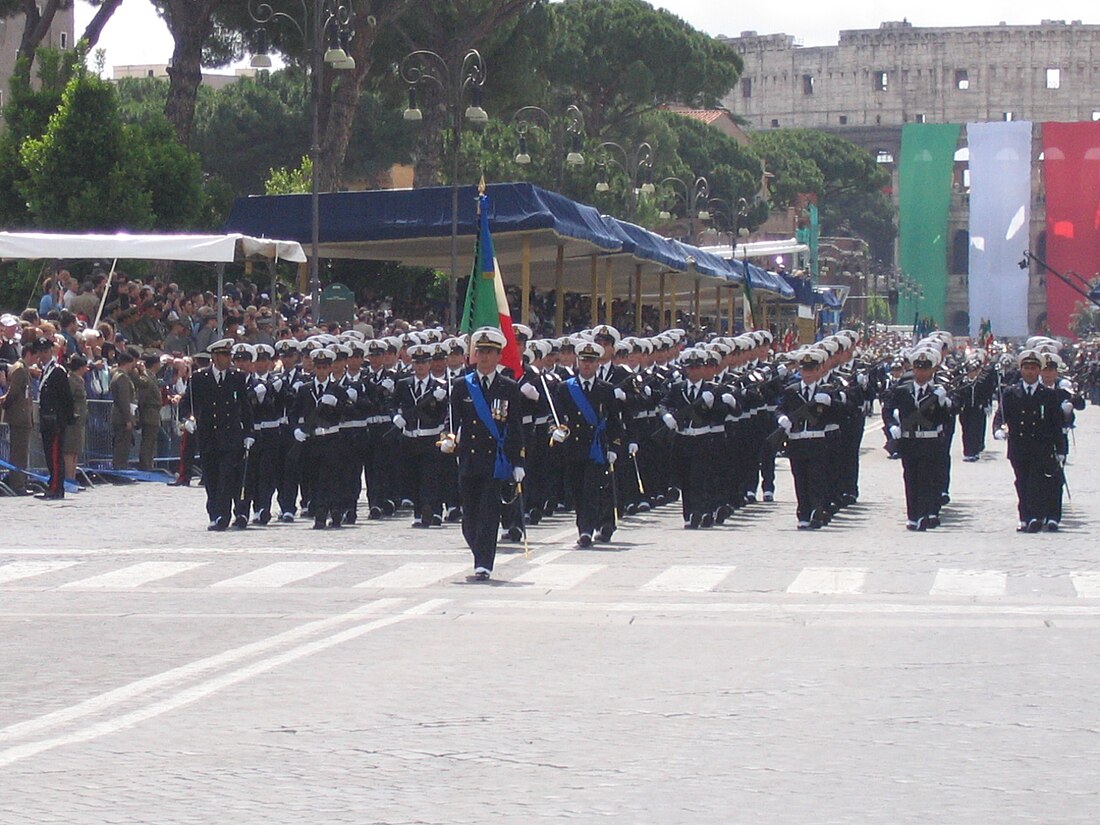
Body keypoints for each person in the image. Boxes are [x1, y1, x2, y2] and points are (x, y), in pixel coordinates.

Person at [443, 327, 524, 580]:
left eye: (490, 352)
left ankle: (483, 563)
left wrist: (518, 461)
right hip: (469, 458)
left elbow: (515, 426)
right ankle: (479, 550)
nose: (485, 357)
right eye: (481, 352)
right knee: (470, 518)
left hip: (494, 461)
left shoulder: (508, 387)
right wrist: (448, 438)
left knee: (489, 513)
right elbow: (452, 420)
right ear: (474, 355)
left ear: (499, 356)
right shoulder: (461, 386)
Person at [552, 340, 625, 546]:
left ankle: (586, 530)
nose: (586, 365)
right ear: (578, 362)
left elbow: (613, 421)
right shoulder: (565, 388)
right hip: (574, 447)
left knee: (592, 489)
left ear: (597, 365)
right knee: (577, 490)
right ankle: (585, 525)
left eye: (591, 361)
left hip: (596, 448)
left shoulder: (605, 389)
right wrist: (555, 430)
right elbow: (556, 416)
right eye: (584, 361)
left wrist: (615, 446)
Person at [882, 348, 955, 531]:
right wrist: (892, 426)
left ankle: (928, 513)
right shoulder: (902, 391)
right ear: (913, 369)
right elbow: (887, 409)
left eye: (925, 369)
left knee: (929, 478)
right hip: (910, 441)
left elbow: (948, 417)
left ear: (932, 371)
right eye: (918, 368)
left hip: (930, 441)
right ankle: (913, 515)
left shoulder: (937, 392)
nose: (921, 372)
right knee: (911, 478)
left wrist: (944, 403)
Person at [187, 338, 254, 531]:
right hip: (208, 436)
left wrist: (249, 431)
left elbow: (245, 408)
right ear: (214, 357)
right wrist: (189, 419)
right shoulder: (200, 378)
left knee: (226, 476)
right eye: (225, 355)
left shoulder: (237, 378)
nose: (228, 358)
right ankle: (214, 513)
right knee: (211, 477)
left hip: (230, 437)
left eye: (229, 354)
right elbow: (188, 403)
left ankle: (222, 516)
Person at [1001, 349, 1067, 533]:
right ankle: (1025, 517)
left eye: (1033, 368)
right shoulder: (1011, 393)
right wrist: (998, 429)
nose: (1029, 372)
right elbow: (1002, 415)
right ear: (1021, 370)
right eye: (1026, 368)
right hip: (1018, 446)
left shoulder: (1048, 394)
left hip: (1041, 446)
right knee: (1021, 482)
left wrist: (1060, 448)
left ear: (1039, 370)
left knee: (1035, 482)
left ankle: (1035, 516)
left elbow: (1056, 424)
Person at [36, 337, 75, 499]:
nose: (43, 354)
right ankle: (53, 485)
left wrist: (65, 419)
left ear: (51, 351)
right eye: (41, 352)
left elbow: (66, 397)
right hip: (47, 420)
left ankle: (56, 488)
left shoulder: (57, 371)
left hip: (56, 420)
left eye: (46, 351)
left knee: (55, 456)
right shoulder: (45, 370)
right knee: (49, 456)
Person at [0, 340, 37, 494]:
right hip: (19, 416)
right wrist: (5, 404)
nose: (37, 359)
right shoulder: (20, 369)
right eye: (35, 355)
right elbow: (14, 393)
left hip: (22, 416)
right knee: (18, 453)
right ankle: (18, 484)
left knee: (21, 452)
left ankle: (21, 481)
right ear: (28, 354)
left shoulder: (23, 369)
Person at [132, 354, 164, 470]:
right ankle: (145, 466)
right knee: (148, 442)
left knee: (151, 442)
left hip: (153, 412)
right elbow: (143, 396)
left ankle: (148, 465)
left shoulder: (152, 376)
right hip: (149, 412)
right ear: (155, 364)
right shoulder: (147, 377)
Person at [62, 355, 89, 489]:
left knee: (75, 451)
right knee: (69, 451)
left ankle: (72, 478)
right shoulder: (71, 380)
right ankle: (68, 480)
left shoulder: (79, 380)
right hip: (72, 420)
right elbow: (68, 399)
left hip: (79, 421)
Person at [110, 350, 138, 469]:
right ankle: (120, 468)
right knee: (122, 445)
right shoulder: (122, 378)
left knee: (122, 443)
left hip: (120, 415)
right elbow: (124, 400)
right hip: (121, 416)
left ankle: (121, 467)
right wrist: (128, 419)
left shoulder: (119, 376)